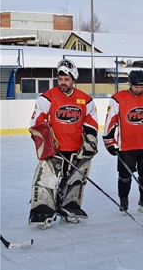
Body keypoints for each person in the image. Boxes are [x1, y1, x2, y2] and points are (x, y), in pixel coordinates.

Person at [28, 58, 99, 229]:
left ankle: (69, 208)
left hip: (76, 150)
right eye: (60, 79)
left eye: (66, 79)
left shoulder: (85, 100)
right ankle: (43, 212)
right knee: (47, 180)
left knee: (74, 181)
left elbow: (91, 123)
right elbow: (36, 121)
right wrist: (46, 140)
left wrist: (90, 141)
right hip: (54, 149)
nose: (63, 82)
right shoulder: (47, 97)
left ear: (73, 79)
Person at [103, 70, 143, 214]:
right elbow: (110, 121)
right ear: (130, 84)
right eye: (136, 87)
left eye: (142, 87)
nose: (139, 89)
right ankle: (123, 199)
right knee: (125, 176)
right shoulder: (118, 98)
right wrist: (109, 141)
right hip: (126, 146)